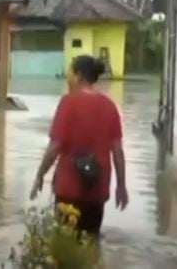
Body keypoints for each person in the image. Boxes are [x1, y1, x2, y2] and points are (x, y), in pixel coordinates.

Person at [29, 55, 128, 237]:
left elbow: (54, 148)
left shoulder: (68, 103)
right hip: (97, 190)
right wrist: (121, 186)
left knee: (65, 248)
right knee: (90, 244)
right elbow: (118, 153)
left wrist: (39, 175)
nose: (67, 77)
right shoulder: (110, 107)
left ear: (80, 76)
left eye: (70, 72)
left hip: (69, 189)